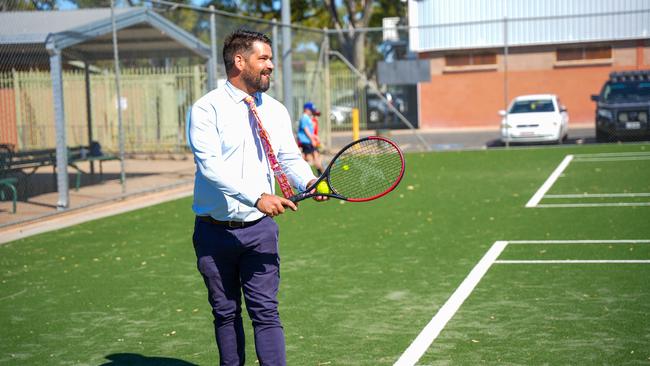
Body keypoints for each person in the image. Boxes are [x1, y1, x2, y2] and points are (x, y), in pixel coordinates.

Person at [187, 29, 324, 366]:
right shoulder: (206, 110)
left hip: (260, 230)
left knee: (266, 311)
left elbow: (290, 157)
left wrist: (309, 181)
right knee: (225, 312)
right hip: (214, 232)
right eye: (263, 58)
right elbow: (211, 168)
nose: (271, 65)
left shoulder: (275, 110)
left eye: (270, 58)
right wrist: (257, 196)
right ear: (238, 61)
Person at [297, 102, 324, 175]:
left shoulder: (307, 118)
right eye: (311, 110)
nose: (312, 112)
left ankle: (320, 172)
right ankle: (320, 172)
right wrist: (312, 139)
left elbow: (310, 131)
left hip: (308, 141)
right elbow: (306, 130)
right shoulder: (304, 118)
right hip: (306, 142)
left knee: (311, 156)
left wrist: (315, 137)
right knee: (312, 157)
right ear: (306, 110)